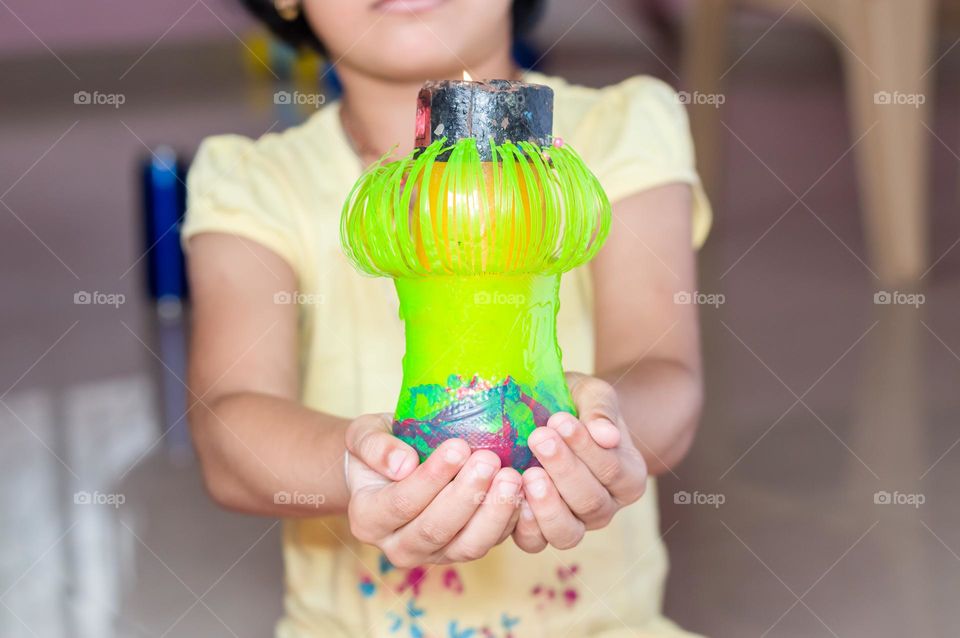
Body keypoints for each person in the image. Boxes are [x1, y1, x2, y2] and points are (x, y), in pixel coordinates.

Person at [182, 0, 711, 635]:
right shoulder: (252, 181)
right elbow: (228, 428)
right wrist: (363, 468)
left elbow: (665, 371)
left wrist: (604, 436)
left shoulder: (622, 129)